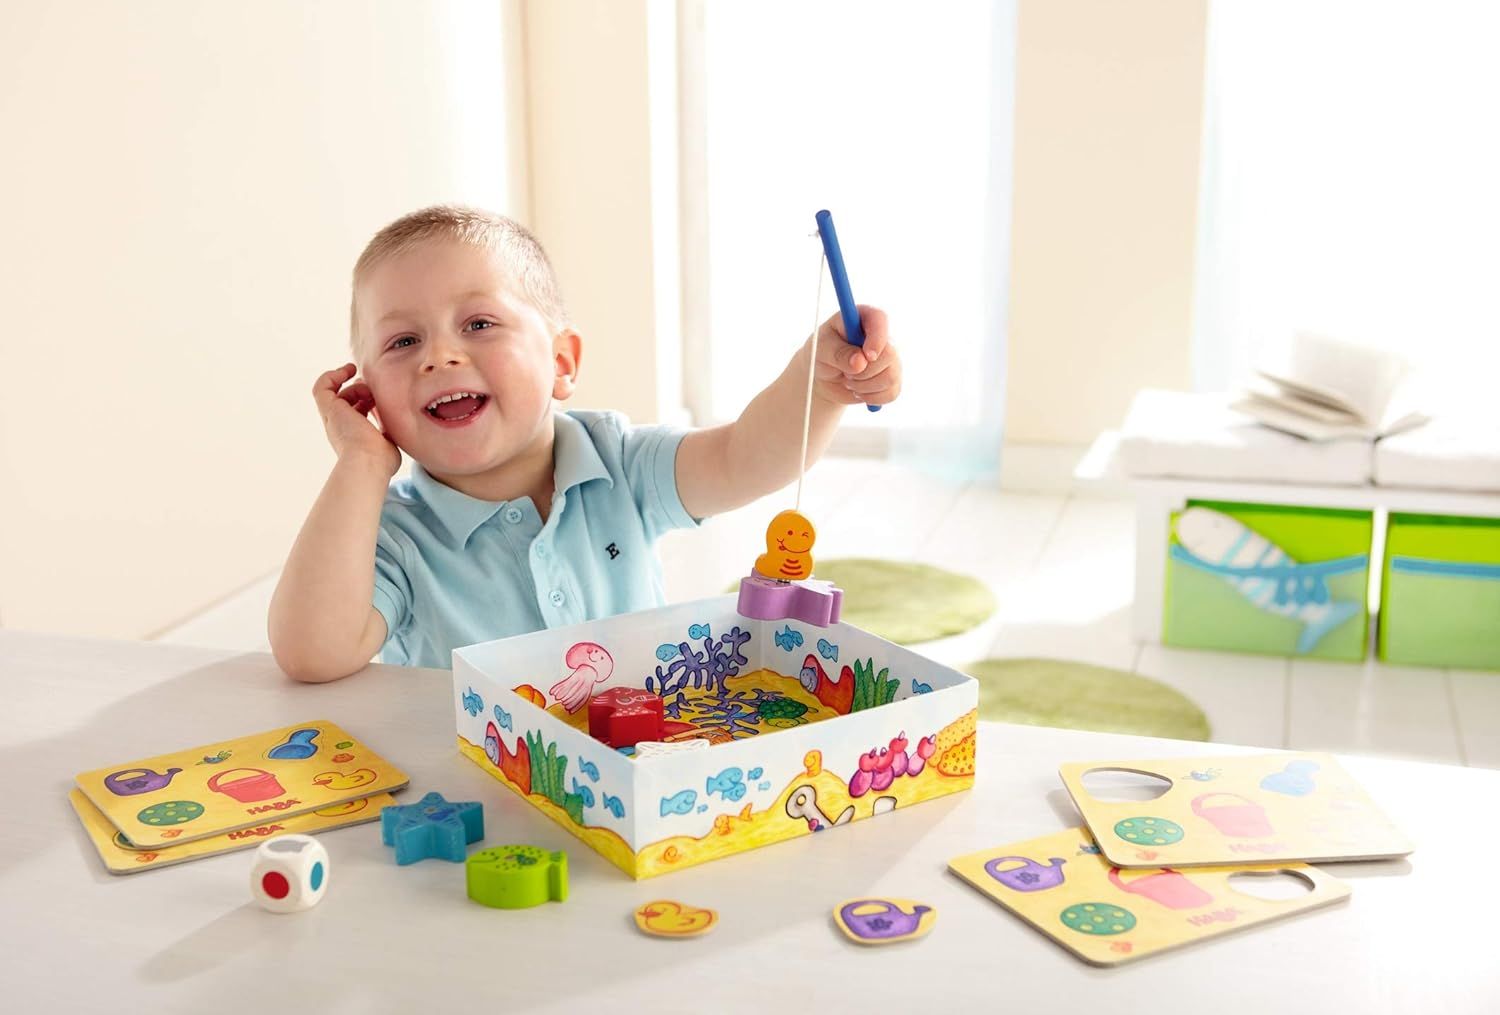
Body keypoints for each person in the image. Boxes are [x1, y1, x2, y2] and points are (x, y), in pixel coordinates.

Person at [268, 205, 901, 681]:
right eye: (403, 342)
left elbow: (745, 460)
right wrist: (361, 462)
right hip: (484, 792)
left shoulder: (618, 460)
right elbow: (310, 653)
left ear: (561, 362)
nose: (440, 356)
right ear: (371, 396)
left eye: (479, 323)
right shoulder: (396, 535)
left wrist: (819, 384)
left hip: (646, 765)